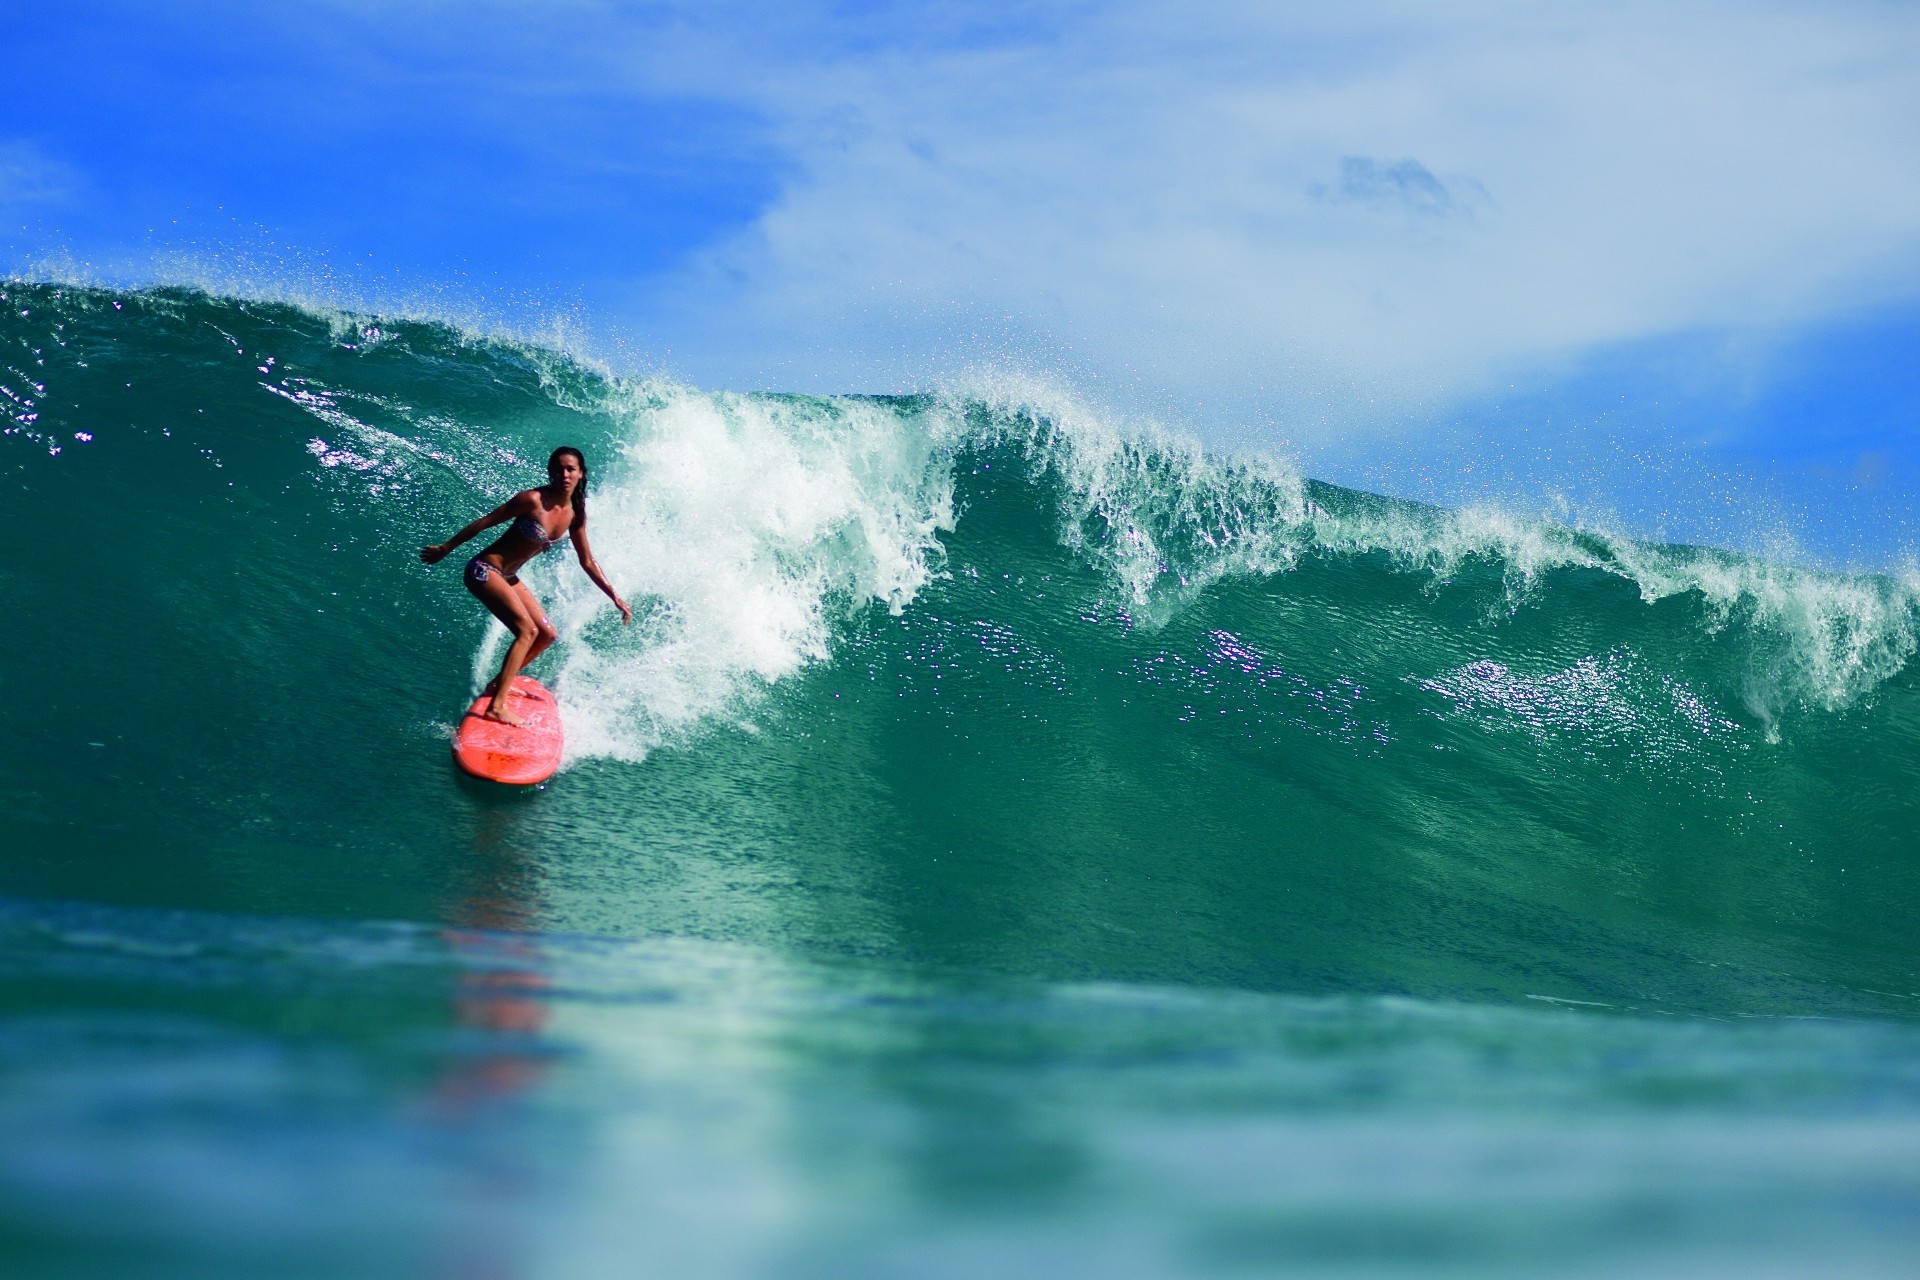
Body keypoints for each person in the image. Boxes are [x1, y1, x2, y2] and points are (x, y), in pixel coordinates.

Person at [420, 447, 631, 726]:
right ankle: (496, 707)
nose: (564, 474)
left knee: (546, 633)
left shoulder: (575, 514)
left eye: (570, 469)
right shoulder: (532, 500)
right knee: (527, 631)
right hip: (484, 570)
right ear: (550, 472)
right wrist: (446, 548)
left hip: (509, 576)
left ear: (581, 474)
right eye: (558, 468)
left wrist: (614, 596)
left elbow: (588, 561)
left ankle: (498, 685)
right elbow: (485, 522)